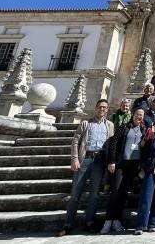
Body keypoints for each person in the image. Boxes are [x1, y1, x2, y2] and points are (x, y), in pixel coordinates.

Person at [58, 99, 114, 237]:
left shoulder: (110, 125)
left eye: (104, 107)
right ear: (96, 108)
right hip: (85, 159)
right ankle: (68, 224)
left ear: (107, 110)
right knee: (75, 194)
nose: (102, 109)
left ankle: (89, 222)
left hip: (99, 161)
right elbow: (75, 141)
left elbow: (111, 144)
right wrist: (74, 159)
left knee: (94, 195)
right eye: (100, 107)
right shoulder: (86, 123)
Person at [101, 107, 146, 234]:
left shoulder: (144, 130)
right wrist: (111, 161)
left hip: (133, 166)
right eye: (137, 114)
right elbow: (114, 143)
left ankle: (117, 220)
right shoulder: (124, 127)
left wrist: (142, 167)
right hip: (121, 164)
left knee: (124, 193)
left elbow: (145, 149)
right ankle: (108, 220)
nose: (139, 117)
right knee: (115, 191)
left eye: (141, 115)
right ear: (133, 115)